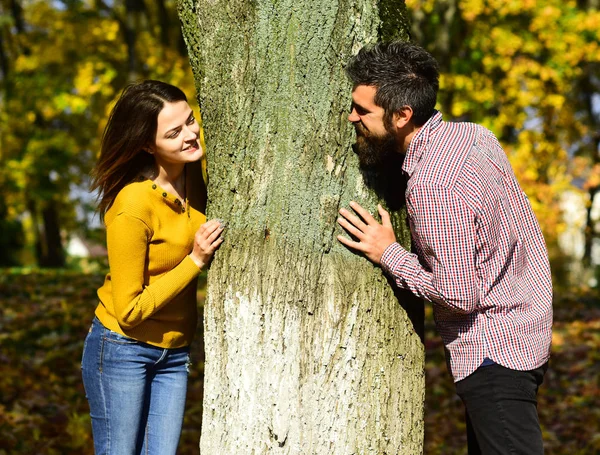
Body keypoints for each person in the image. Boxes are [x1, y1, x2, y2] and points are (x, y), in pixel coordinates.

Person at [336, 41, 553, 455]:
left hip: (494, 354)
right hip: (527, 330)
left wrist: (389, 254)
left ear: (402, 116)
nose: (352, 117)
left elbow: (459, 294)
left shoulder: (432, 186)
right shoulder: (474, 136)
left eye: (362, 110)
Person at [82, 80, 224, 455]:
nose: (191, 135)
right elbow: (129, 311)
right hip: (122, 348)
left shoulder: (194, 176)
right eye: (174, 132)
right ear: (147, 144)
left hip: (174, 352)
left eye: (190, 122)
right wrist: (195, 261)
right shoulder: (133, 204)